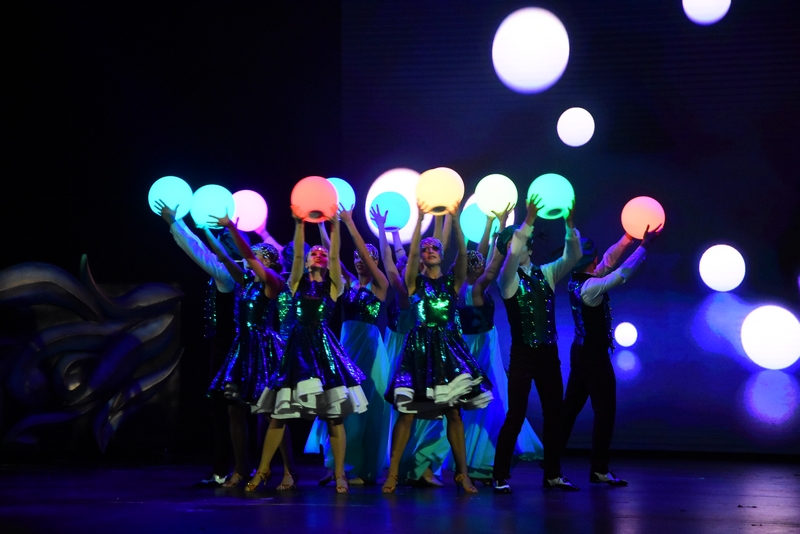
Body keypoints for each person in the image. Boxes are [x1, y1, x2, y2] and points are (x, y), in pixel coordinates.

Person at [252, 205, 368, 494]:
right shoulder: (296, 282)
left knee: (333, 416)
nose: (319, 254)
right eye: (314, 252)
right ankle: (263, 470)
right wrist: (300, 224)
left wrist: (336, 227)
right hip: (298, 350)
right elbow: (297, 256)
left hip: (324, 349)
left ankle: (339, 474)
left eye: (323, 253)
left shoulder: (333, 286)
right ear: (305, 262)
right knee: (280, 414)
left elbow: (336, 254)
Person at [382, 201, 493, 494]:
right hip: (419, 349)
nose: (429, 250)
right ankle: (393, 474)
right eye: (425, 248)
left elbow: (462, 254)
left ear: (442, 256)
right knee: (407, 412)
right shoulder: (414, 283)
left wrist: (454, 221)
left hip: (448, 348)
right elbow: (411, 255)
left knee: (454, 412)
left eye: (435, 248)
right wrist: (420, 221)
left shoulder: (452, 284)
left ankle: (462, 474)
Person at [560, 224, 662, 487]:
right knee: (605, 410)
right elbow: (621, 274)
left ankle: (551, 462)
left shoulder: (577, 279)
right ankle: (599, 469)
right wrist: (644, 247)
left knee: (569, 409)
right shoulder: (590, 287)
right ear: (591, 261)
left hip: (581, 352)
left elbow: (608, 261)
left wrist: (628, 238)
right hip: (593, 357)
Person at [492, 195, 581, 493]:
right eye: (509, 248)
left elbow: (572, 257)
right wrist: (528, 219)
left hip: (548, 354)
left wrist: (569, 225)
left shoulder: (547, 273)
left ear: (530, 248)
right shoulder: (507, 279)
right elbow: (512, 255)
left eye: (517, 245)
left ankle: (553, 473)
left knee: (555, 414)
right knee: (516, 414)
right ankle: (500, 475)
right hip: (523, 355)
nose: (514, 250)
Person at [206, 214, 295, 491]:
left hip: (263, 348)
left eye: (257, 256)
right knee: (234, 408)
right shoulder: (247, 281)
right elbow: (223, 256)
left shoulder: (273, 282)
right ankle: (242, 467)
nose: (250, 260)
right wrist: (204, 228)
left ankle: (289, 471)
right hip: (242, 346)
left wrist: (233, 228)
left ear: (268, 261)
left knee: (270, 412)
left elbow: (244, 255)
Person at [455, 206, 544, 483]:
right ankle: (481, 459)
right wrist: (502, 236)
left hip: (477, 343)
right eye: (476, 265)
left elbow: (481, 256)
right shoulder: (476, 289)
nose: (480, 264)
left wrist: (492, 224)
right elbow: (492, 265)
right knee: (490, 397)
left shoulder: (464, 287)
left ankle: (481, 458)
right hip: (480, 347)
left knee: (490, 398)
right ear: (472, 270)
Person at [305, 207, 392, 486]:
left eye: (365, 257)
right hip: (346, 345)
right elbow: (332, 255)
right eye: (355, 258)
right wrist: (323, 224)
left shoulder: (380, 285)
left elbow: (365, 254)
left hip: (368, 347)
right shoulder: (349, 283)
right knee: (340, 403)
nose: (359, 261)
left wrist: (351, 223)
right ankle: (336, 465)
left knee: (365, 407)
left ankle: (362, 468)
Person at [156, 199, 235, 487]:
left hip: (230, 347)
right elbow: (200, 250)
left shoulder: (230, 274)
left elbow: (197, 251)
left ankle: (228, 468)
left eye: (225, 241)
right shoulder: (230, 272)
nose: (218, 245)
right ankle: (231, 467)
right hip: (225, 345)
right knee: (226, 408)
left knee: (226, 407)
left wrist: (174, 223)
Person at [373, 206, 448, 488]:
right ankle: (401, 467)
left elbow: (419, 251)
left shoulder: (425, 286)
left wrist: (441, 215)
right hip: (405, 351)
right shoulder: (403, 289)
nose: (408, 265)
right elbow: (389, 260)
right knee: (406, 412)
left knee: (436, 412)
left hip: (430, 350)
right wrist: (383, 230)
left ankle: (426, 466)